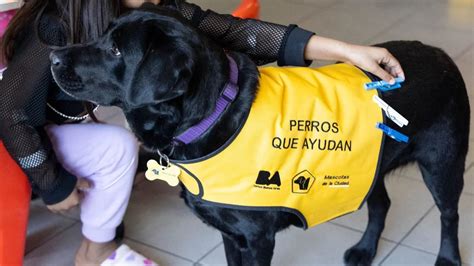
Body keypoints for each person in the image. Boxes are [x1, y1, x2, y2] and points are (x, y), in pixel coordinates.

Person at [0, 0, 404, 265]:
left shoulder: (152, 11)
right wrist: (52, 182)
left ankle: (98, 234)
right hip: (15, 133)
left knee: (126, 137)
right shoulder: (55, 23)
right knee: (117, 147)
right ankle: (95, 250)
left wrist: (348, 52)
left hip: (75, 113)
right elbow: (10, 111)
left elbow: (239, 33)